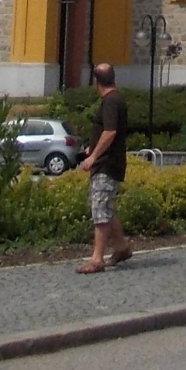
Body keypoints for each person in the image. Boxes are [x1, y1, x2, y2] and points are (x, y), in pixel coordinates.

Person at [77, 62, 133, 274]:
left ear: (96, 81)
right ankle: (121, 247)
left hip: (107, 164)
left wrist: (93, 157)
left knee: (100, 211)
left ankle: (96, 259)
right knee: (106, 209)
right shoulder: (115, 100)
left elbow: (110, 132)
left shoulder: (110, 101)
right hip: (110, 162)